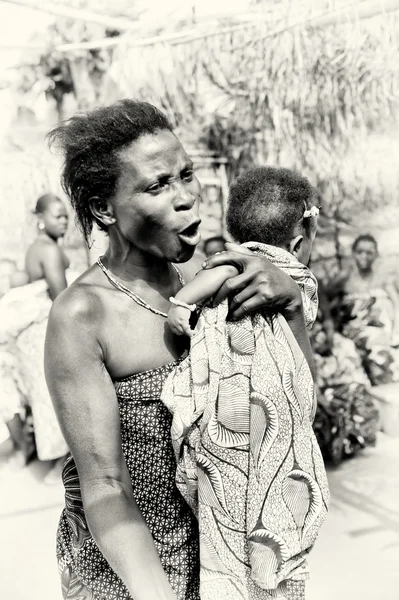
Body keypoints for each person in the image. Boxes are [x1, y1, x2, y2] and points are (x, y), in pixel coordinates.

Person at [44, 99, 319, 600]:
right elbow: (104, 486)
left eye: (186, 175)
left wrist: (291, 305)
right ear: (105, 208)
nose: (186, 197)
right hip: (130, 572)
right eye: (157, 185)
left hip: (225, 560)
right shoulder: (83, 315)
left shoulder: (213, 284)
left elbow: (293, 406)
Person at [163, 167, 329, 600]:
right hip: (273, 406)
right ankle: (271, 573)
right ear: (299, 240)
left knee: (228, 501)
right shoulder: (295, 277)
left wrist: (182, 303)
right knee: (275, 490)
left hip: (227, 407)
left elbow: (213, 277)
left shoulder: (237, 261)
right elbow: (302, 371)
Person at [0, 194, 71, 480]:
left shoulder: (35, 248)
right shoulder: (49, 250)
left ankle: (52, 458)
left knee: (43, 395)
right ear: (40, 219)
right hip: (44, 330)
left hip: (31, 334)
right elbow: (62, 297)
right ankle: (62, 462)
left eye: (65, 215)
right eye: (57, 216)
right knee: (55, 394)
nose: (64, 221)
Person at [333, 234, 399, 385]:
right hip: (356, 331)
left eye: (369, 252)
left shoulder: (383, 279)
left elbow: (397, 304)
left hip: (382, 332)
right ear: (353, 253)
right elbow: (321, 293)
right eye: (360, 251)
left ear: (376, 254)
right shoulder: (345, 278)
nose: (364, 256)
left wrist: (396, 332)